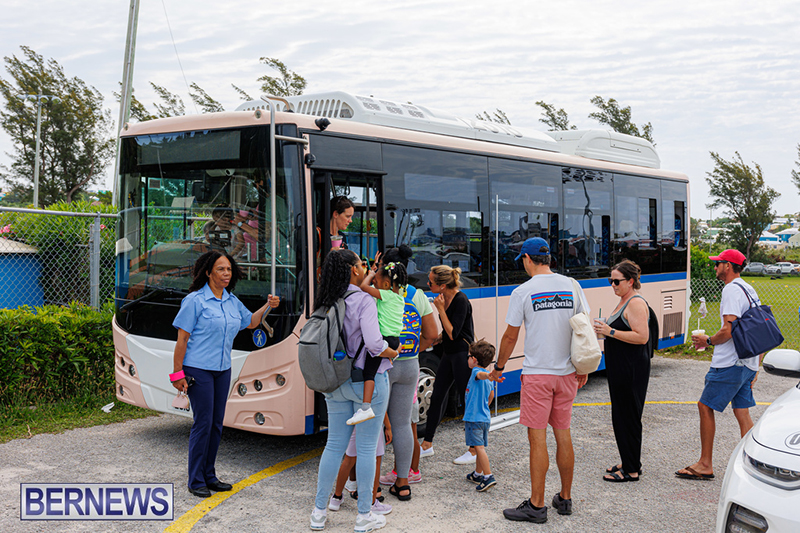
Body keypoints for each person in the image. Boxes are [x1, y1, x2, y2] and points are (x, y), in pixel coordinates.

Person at [489, 237, 588, 524]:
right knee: (563, 433)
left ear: (527, 259)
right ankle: (565, 498)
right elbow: (582, 327)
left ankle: (536, 505)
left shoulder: (523, 291)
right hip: (567, 373)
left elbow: (511, 335)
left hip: (537, 374)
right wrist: (581, 365)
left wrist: (499, 367)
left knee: (537, 440)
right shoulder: (572, 285)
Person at [170, 250, 280, 498]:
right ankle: (196, 478)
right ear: (208, 272)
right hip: (198, 369)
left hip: (222, 370)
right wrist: (177, 374)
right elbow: (182, 340)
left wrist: (268, 307)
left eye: (229, 269)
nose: (226, 273)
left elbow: (250, 322)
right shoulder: (195, 301)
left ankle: (210, 475)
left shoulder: (231, 301)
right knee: (203, 423)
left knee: (217, 424)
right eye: (221, 269)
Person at [310, 249, 398, 533]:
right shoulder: (363, 299)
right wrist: (392, 352)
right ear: (352, 270)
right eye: (360, 264)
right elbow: (374, 344)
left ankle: (319, 513)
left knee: (334, 446)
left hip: (334, 381)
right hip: (366, 384)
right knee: (366, 447)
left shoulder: (324, 300)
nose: (363, 267)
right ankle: (363, 516)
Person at [677, 249, 762, 481]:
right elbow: (760, 327)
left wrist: (708, 341)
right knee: (741, 412)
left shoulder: (731, 289)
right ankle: (754, 462)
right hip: (748, 362)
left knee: (705, 406)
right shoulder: (749, 289)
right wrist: (756, 366)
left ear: (728, 266)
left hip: (730, 363)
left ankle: (705, 464)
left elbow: (729, 329)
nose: (715, 268)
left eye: (718, 264)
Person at [377, 245, 438, 499]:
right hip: (411, 364)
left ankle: (368, 487)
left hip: (384, 365)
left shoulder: (378, 292)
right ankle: (402, 484)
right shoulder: (417, 294)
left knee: (373, 424)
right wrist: (415, 349)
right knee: (403, 425)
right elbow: (434, 334)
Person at [592, 259, 652, 482]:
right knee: (621, 415)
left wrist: (611, 332)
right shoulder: (624, 301)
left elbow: (642, 336)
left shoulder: (635, 303)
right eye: (611, 281)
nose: (613, 285)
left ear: (631, 281)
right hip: (621, 368)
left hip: (631, 369)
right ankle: (629, 460)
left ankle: (631, 470)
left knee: (628, 416)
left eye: (616, 281)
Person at [420, 265, 475, 463]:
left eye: (431, 282)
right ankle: (427, 444)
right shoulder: (447, 299)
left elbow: (455, 332)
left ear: (442, 286)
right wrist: (439, 338)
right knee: (437, 397)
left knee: (467, 401)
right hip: (449, 354)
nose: (428, 285)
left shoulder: (460, 300)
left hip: (461, 355)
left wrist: (440, 310)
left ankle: (474, 449)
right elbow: (450, 332)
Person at [348, 259, 407, 425]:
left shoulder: (386, 295)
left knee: (369, 373)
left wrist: (371, 274)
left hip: (385, 339)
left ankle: (366, 407)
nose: (373, 282)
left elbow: (363, 288)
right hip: (395, 339)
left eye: (376, 281)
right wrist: (374, 273)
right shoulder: (399, 297)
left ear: (387, 284)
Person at [464, 340, 501, 492]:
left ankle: (488, 476)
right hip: (485, 417)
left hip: (474, 418)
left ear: (474, 360)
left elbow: (480, 375)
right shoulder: (489, 381)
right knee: (480, 447)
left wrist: (488, 375)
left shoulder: (475, 373)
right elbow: (490, 396)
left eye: (468, 356)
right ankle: (478, 474)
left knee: (478, 448)